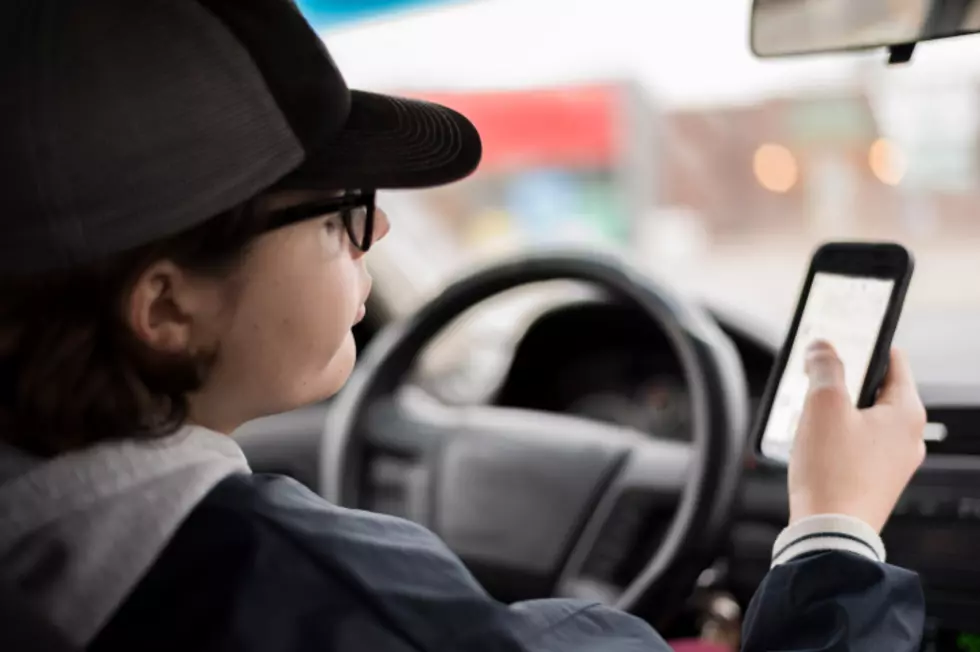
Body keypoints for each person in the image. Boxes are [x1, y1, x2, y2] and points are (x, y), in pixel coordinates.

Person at [0, 0, 928, 650]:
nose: (384, 228)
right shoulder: (322, 601)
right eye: (339, 213)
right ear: (166, 307)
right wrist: (834, 531)